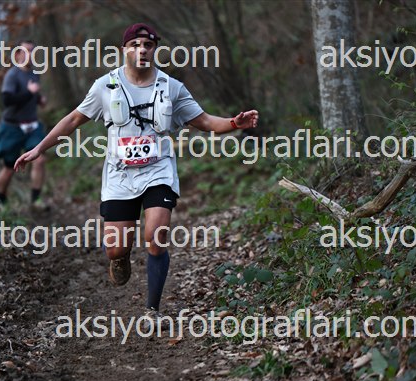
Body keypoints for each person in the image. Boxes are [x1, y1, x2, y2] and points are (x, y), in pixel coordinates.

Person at [14, 24, 258, 320]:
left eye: (148, 45)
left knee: (156, 236)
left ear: (155, 50)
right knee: (116, 249)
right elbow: (74, 119)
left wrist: (233, 123)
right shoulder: (105, 86)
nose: (142, 50)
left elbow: (204, 121)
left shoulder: (171, 87)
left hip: (158, 169)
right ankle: (120, 258)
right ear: (124, 50)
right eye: (135, 45)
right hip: (120, 175)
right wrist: (39, 148)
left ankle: (152, 310)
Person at [0, 40, 49, 210]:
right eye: (26, 51)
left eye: (32, 51)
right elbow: (7, 100)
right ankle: (1, 201)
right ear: (18, 54)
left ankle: (36, 200)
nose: (30, 55)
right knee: (9, 168)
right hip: (12, 128)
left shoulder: (34, 73)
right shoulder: (12, 75)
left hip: (32, 126)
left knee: (39, 160)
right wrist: (29, 93)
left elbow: (33, 93)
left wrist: (39, 99)